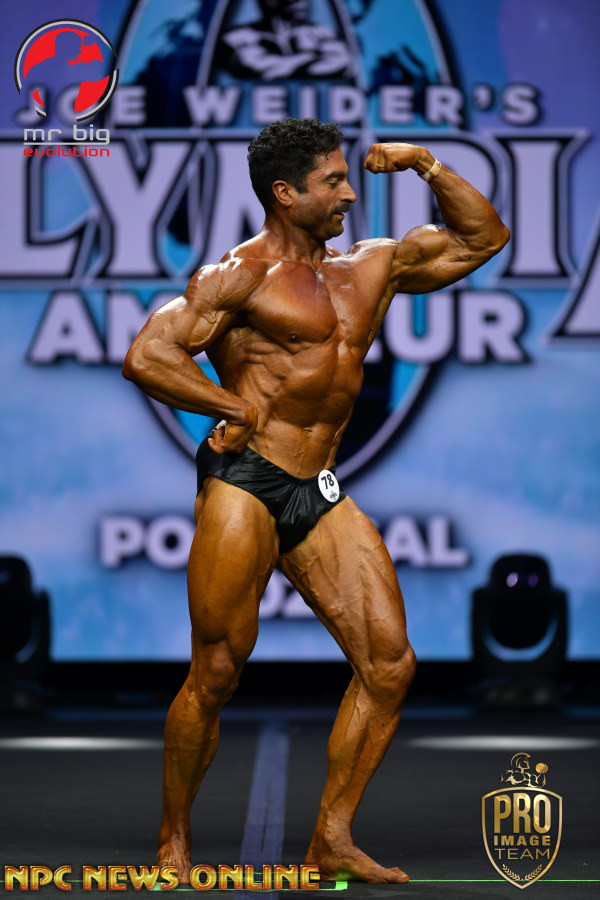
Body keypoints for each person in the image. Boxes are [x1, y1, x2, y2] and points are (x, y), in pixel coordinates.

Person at [122, 117, 509, 884]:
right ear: (284, 193)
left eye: (347, 178)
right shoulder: (238, 275)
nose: (349, 194)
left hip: (319, 488)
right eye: (332, 182)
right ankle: (173, 839)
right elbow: (148, 355)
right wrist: (231, 407)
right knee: (217, 671)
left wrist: (427, 164)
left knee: (389, 665)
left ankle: (331, 837)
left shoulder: (371, 267)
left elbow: (484, 238)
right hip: (245, 483)